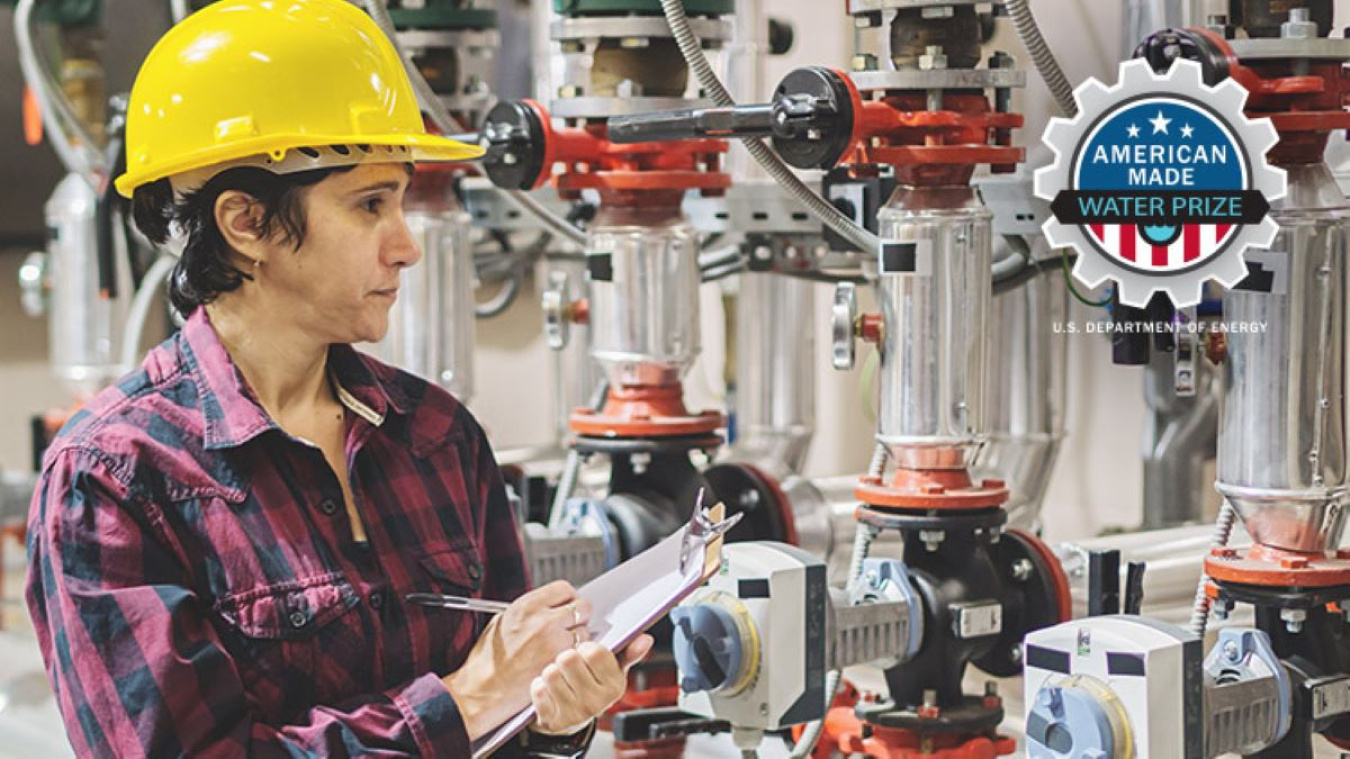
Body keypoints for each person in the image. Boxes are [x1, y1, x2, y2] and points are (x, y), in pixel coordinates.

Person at [24, 0, 652, 756]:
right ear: (245, 222)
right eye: (370, 205)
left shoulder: (438, 436)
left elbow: (504, 716)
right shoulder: (116, 482)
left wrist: (554, 713)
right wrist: (465, 698)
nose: (406, 246)